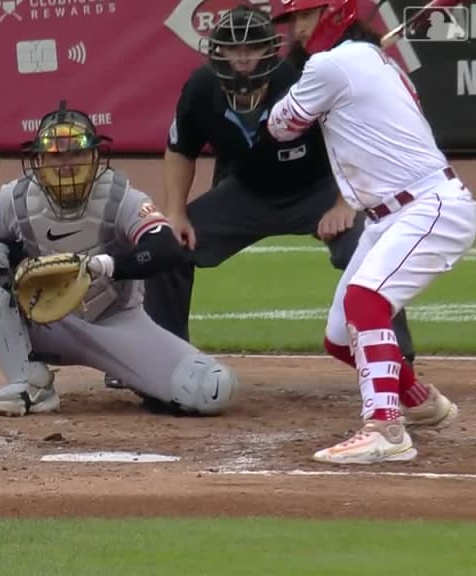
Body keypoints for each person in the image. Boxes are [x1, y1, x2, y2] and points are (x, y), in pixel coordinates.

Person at [139, 4, 416, 389]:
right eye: (233, 50)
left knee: (366, 246)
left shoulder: (306, 78)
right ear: (216, 52)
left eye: (252, 48)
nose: (242, 58)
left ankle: (396, 358)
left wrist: (344, 203)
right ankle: (159, 359)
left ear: (271, 48)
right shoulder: (202, 87)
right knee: (167, 244)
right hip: (246, 193)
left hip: (318, 189)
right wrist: (175, 213)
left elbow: (354, 141)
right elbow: (180, 149)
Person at [267, 0, 474, 464]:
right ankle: (421, 402)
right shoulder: (367, 59)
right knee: (341, 338)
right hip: (389, 214)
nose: (296, 30)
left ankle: (386, 428)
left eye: (304, 17)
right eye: (292, 19)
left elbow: (282, 127)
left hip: (427, 206)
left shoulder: (333, 63)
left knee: (367, 301)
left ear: (333, 14)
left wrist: (282, 99)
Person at [0, 100, 240, 418]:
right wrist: (23, 263)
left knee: (211, 389)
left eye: (77, 154)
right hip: (41, 322)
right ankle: (29, 381)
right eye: (55, 156)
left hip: (115, 323)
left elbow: (165, 248)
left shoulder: (121, 197)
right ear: (39, 160)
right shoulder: (13, 199)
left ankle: (130, 371)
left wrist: (106, 265)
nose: (65, 165)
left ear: (95, 157)